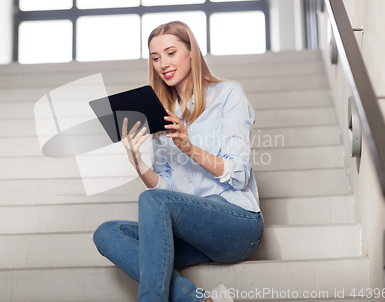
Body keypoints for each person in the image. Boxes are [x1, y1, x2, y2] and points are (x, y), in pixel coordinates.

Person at [93, 21, 263, 302]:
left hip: (237, 225)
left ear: (192, 53)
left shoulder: (228, 95)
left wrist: (188, 147)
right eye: (156, 58)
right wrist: (138, 163)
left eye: (171, 53)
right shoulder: (162, 113)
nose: (163, 64)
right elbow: (167, 189)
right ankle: (198, 300)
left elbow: (240, 174)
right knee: (108, 233)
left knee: (152, 201)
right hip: (193, 231)